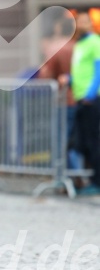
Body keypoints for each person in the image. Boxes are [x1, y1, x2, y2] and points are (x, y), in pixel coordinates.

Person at [38, 14, 84, 182]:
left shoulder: (57, 47)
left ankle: (65, 178)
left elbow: (46, 74)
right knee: (76, 140)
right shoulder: (78, 46)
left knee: (61, 140)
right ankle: (77, 176)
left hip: (62, 99)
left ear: (58, 28)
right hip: (80, 98)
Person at [59, 11, 100, 195]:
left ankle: (96, 182)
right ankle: (88, 180)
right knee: (79, 143)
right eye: (78, 22)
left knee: (92, 142)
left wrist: (90, 95)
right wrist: (69, 79)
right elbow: (81, 72)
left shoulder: (95, 42)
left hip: (91, 100)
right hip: (79, 98)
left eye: (84, 22)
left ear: (90, 24)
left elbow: (98, 70)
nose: (81, 25)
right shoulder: (79, 45)